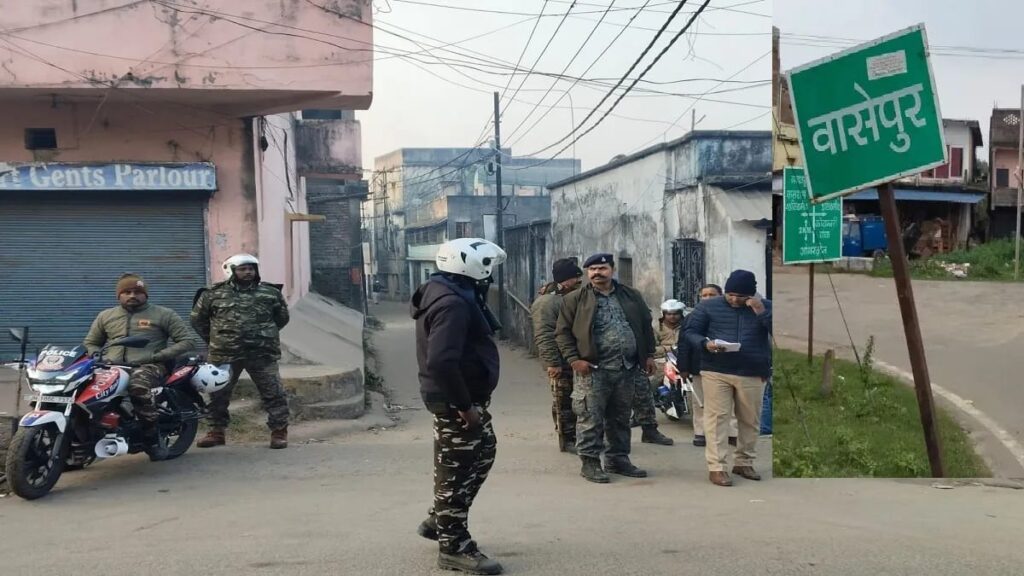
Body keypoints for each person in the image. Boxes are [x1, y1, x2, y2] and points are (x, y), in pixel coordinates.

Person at [411, 238, 506, 575]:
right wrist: (464, 406)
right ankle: (453, 546)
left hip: (463, 397)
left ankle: (440, 519)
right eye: (487, 266)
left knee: (484, 452)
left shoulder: (452, 291)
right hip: (456, 401)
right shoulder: (452, 303)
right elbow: (441, 361)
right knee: (457, 470)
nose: (489, 274)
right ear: (470, 266)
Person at [556, 253, 657, 484]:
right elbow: (562, 333)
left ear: (612, 269)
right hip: (593, 370)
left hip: (626, 368)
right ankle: (590, 462)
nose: (597, 273)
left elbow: (645, 325)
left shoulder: (631, 295)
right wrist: (574, 360)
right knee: (590, 418)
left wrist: (649, 355)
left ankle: (618, 459)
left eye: (602, 268)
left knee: (620, 418)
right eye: (592, 270)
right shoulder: (575, 299)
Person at [83, 273, 195, 461]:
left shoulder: (163, 314)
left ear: (145, 294)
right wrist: (97, 355)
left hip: (150, 365)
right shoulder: (106, 316)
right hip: (112, 366)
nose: (132, 296)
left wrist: (158, 356)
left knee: (138, 386)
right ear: (119, 295)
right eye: (127, 292)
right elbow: (91, 342)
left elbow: (187, 341)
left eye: (137, 292)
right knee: (81, 389)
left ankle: (152, 438)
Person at [191, 253, 291, 450]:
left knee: (274, 393)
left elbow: (282, 318)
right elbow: (197, 320)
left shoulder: (270, 293)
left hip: (261, 353)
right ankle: (216, 432)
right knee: (218, 394)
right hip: (224, 354)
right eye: (243, 269)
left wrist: (263, 334)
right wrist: (216, 339)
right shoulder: (212, 294)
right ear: (231, 271)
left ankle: (279, 432)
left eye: (251, 269)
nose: (248, 272)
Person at [684, 270, 772, 487]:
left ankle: (744, 462)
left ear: (751, 294)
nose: (734, 299)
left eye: (740, 296)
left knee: (750, 420)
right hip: (716, 369)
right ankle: (717, 467)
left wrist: (760, 311)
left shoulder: (765, 306)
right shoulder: (708, 306)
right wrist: (705, 344)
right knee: (717, 418)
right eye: (730, 294)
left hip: (752, 371)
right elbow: (690, 332)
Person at [531, 258, 584, 453]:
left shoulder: (568, 297)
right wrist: (552, 363)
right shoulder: (546, 303)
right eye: (576, 279)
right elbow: (544, 334)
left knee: (579, 400)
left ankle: (579, 436)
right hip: (560, 360)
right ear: (567, 280)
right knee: (564, 401)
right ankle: (567, 438)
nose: (578, 282)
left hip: (576, 358)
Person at [677, 284, 738, 448]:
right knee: (700, 401)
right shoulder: (692, 318)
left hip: (727, 365)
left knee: (730, 401)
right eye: (704, 295)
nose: (708, 298)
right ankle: (701, 433)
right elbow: (684, 343)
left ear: (721, 296)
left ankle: (732, 433)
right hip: (699, 366)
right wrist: (683, 367)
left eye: (712, 295)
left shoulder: (731, 314)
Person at [628, 300, 681, 446]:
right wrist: (668, 349)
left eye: (676, 314)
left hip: (677, 358)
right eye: (669, 314)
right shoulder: (655, 328)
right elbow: (651, 346)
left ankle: (649, 430)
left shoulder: (686, 326)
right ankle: (636, 418)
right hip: (656, 359)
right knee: (647, 386)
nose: (672, 317)